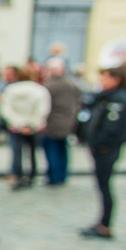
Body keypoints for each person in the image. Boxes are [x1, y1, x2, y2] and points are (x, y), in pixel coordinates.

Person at [81, 64, 126, 239]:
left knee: (104, 185)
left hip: (106, 148)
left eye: (104, 77)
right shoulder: (106, 96)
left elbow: (111, 126)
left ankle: (105, 225)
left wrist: (97, 142)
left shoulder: (118, 98)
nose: (101, 81)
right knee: (101, 185)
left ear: (116, 79)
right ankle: (102, 223)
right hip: (100, 147)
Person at [0, 63, 51, 189]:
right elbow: (42, 109)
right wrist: (32, 123)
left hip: (16, 126)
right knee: (32, 152)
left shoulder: (10, 90)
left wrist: (18, 123)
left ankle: (17, 174)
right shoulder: (40, 90)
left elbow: (6, 109)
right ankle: (31, 175)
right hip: (34, 126)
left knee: (17, 152)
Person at [41, 58, 81, 186]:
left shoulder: (48, 86)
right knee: (63, 150)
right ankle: (62, 175)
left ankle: (54, 176)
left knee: (52, 150)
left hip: (52, 122)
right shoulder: (71, 84)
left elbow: (43, 106)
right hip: (68, 121)